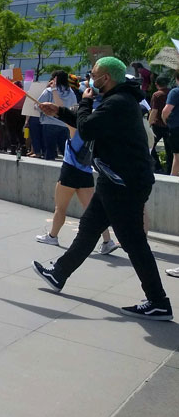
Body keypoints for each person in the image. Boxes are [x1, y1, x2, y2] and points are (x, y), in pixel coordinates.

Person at [33, 57, 172, 321]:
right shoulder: (118, 100)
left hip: (124, 183)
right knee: (89, 229)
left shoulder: (118, 102)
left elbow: (87, 128)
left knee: (133, 241)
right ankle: (59, 273)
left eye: (93, 74)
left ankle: (158, 302)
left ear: (105, 78)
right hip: (115, 179)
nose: (90, 78)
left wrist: (85, 101)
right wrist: (59, 111)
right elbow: (93, 124)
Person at [35, 127, 118, 255]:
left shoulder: (75, 129)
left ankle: (52, 236)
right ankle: (108, 241)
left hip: (69, 171)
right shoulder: (94, 130)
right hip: (86, 173)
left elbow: (63, 116)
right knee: (93, 211)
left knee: (60, 208)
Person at [37, 71, 75, 160]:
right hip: (64, 124)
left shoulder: (49, 91)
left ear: (54, 79)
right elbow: (74, 107)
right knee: (64, 150)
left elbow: (38, 106)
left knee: (49, 150)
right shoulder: (71, 93)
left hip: (49, 122)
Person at [149, 75, 173, 173]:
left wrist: (149, 124)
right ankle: (169, 171)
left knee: (150, 146)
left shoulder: (157, 95)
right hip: (169, 125)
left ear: (156, 84)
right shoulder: (171, 93)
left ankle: (157, 166)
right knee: (169, 150)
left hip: (157, 125)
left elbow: (154, 111)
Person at [163, 73, 179, 177]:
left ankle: (172, 179)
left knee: (177, 156)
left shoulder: (175, 92)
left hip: (176, 127)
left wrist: (165, 120)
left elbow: (166, 110)